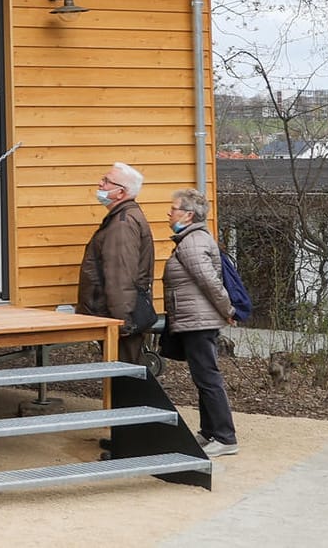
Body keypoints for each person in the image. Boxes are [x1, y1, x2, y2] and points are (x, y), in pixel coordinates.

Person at [165, 189, 239, 457]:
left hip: (199, 321)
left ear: (188, 214)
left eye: (173, 209)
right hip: (194, 319)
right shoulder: (189, 239)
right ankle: (209, 432)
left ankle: (224, 436)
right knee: (203, 377)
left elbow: (209, 281)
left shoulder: (192, 242)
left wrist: (227, 309)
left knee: (208, 378)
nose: (168, 213)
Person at [77, 162, 155, 364]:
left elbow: (120, 276)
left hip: (118, 319)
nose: (100, 184)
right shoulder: (122, 218)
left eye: (106, 181)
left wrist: (123, 322)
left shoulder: (122, 224)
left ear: (120, 193)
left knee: (124, 377)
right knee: (123, 377)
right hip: (118, 315)